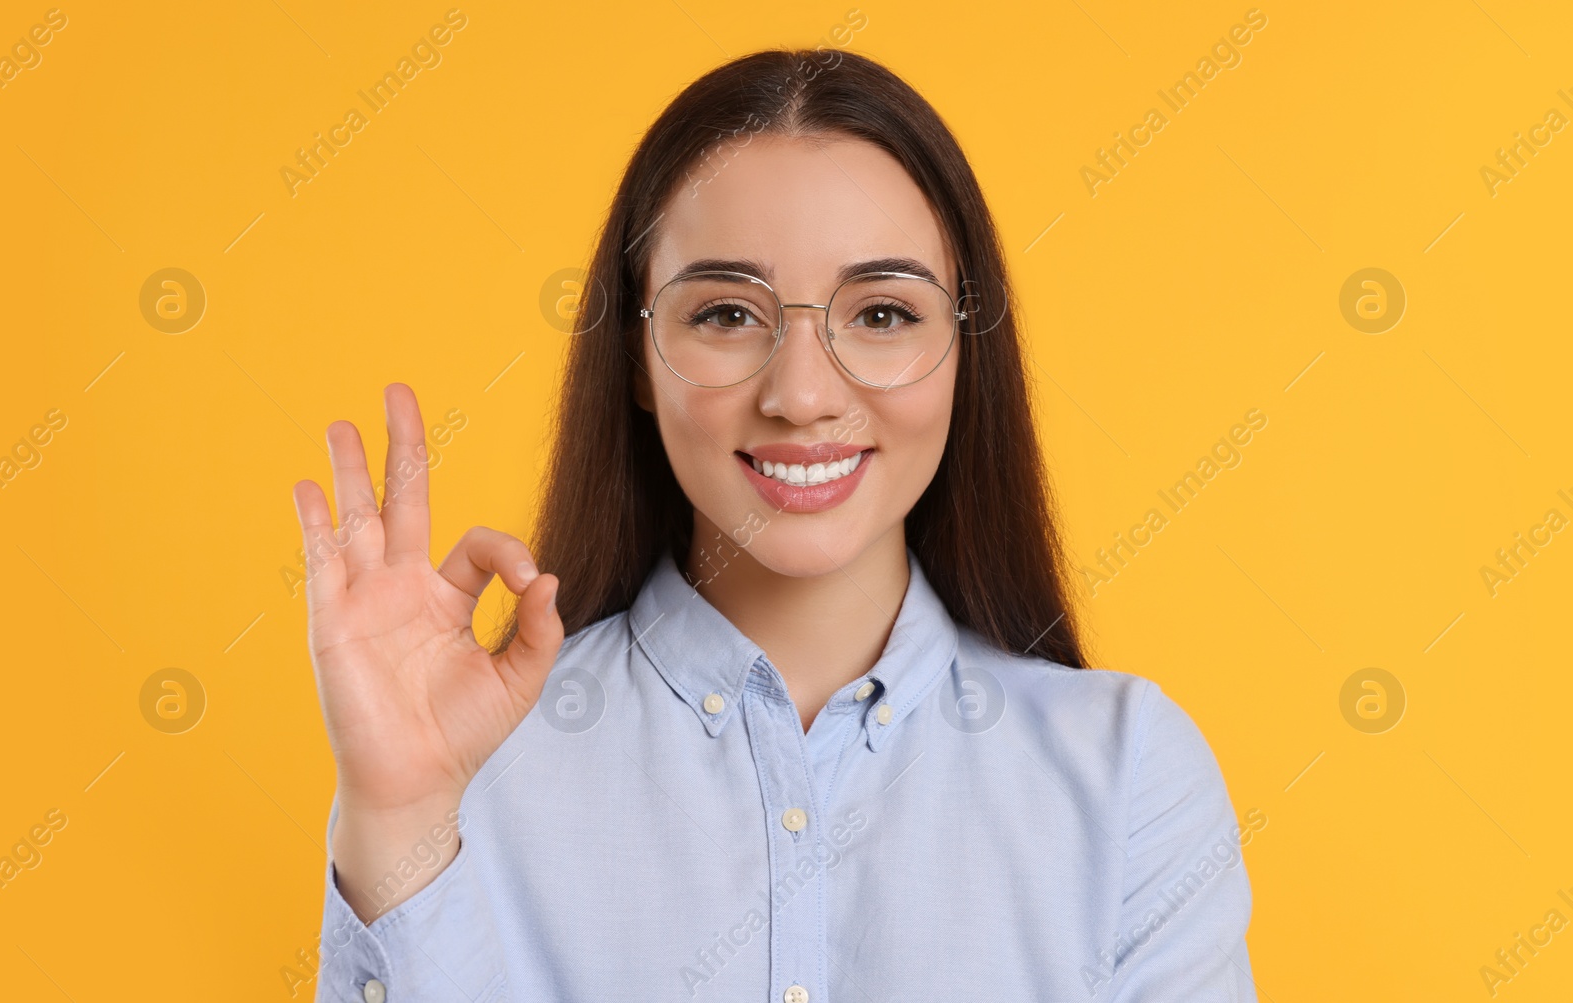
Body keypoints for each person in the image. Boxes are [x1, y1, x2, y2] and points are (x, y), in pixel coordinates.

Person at [293, 46, 1258, 1003]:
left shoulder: (1128, 775)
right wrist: (401, 818)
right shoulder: (473, 773)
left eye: (882, 314)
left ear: (967, 351)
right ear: (636, 354)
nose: (800, 394)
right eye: (724, 313)